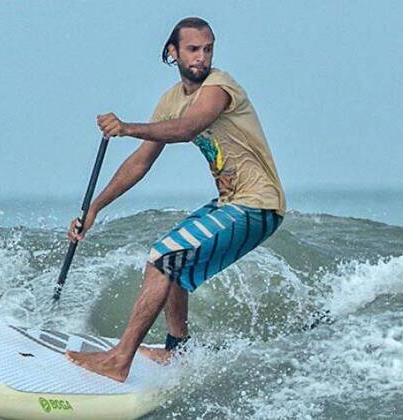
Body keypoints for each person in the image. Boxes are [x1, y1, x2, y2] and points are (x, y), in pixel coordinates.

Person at [65, 17, 286, 382]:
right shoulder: (170, 100)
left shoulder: (219, 87)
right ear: (173, 52)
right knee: (175, 264)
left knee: (162, 258)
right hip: (233, 202)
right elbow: (140, 161)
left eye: (208, 49)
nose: (202, 57)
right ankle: (176, 350)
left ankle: (119, 360)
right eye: (193, 49)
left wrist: (126, 126)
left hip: (256, 204)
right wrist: (95, 208)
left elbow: (187, 129)